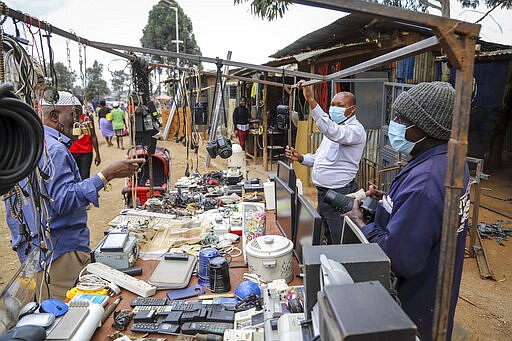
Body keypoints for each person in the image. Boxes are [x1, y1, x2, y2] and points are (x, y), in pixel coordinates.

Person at [346, 82, 470, 341]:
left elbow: (400, 259)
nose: (394, 124)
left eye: (401, 119)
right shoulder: (449, 162)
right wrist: (387, 203)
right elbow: (424, 219)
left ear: (426, 127)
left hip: (412, 307)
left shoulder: (425, 183)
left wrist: (362, 223)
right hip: (436, 298)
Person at [3, 91, 145, 301]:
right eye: (73, 114)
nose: (78, 121)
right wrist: (107, 175)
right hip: (61, 254)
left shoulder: (27, 146)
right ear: (53, 116)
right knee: (65, 314)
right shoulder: (54, 150)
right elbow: (63, 200)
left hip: (36, 251)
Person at [285, 80, 366, 244]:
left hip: (340, 194)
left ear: (352, 109)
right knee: (325, 236)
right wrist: (301, 158)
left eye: (339, 105)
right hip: (323, 194)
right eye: (332, 104)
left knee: (340, 240)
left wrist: (311, 101)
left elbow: (333, 132)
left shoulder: (354, 130)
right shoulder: (335, 127)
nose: (334, 108)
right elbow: (319, 158)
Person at [69, 106, 101, 179]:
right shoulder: (68, 117)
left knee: (85, 177)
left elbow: (93, 135)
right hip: (72, 152)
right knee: (73, 177)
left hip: (86, 152)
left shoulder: (88, 118)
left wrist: (97, 154)